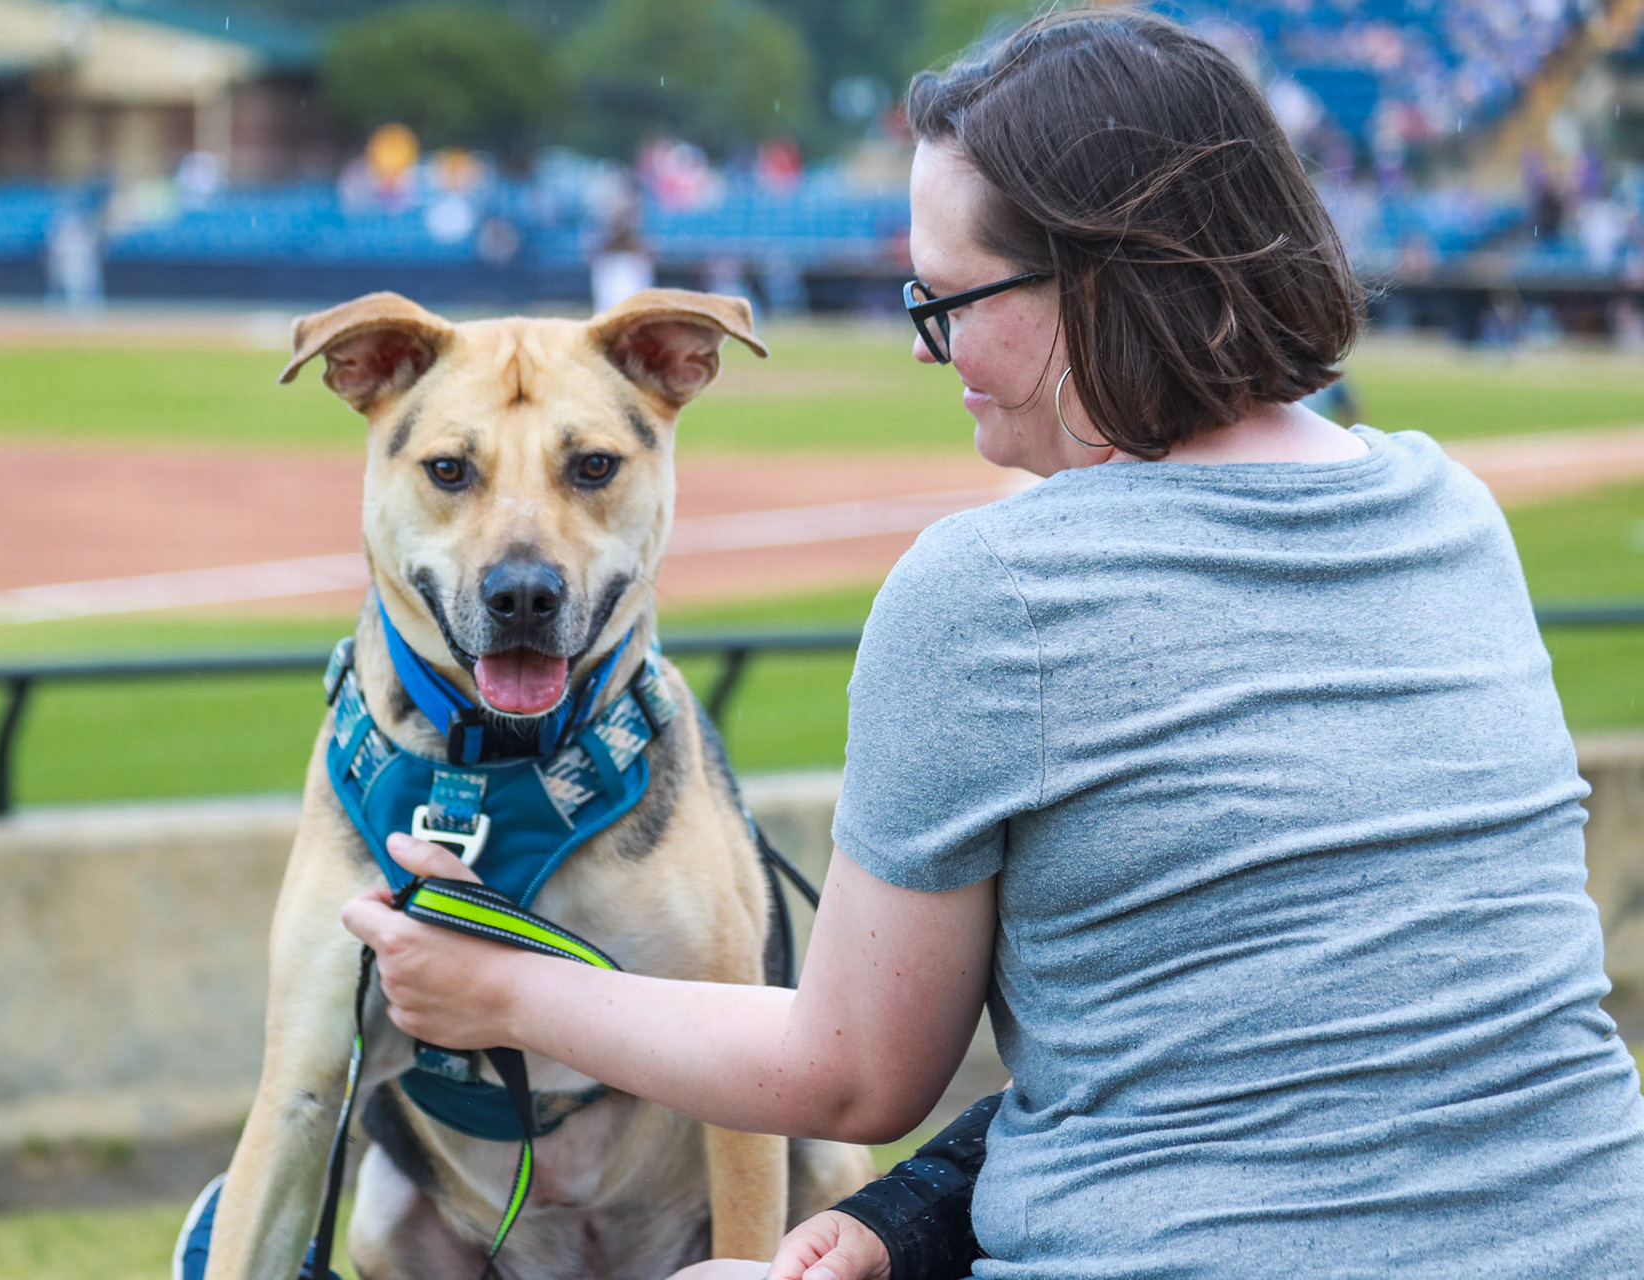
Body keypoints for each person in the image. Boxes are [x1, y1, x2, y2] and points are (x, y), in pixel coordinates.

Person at [344, 9, 1644, 1278]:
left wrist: (496, 995)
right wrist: (896, 1225)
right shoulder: (1452, 509)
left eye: (952, 301)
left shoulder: (996, 585)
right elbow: (1250, 1040)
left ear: (1095, 282)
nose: (936, 349)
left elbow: (850, 1074)